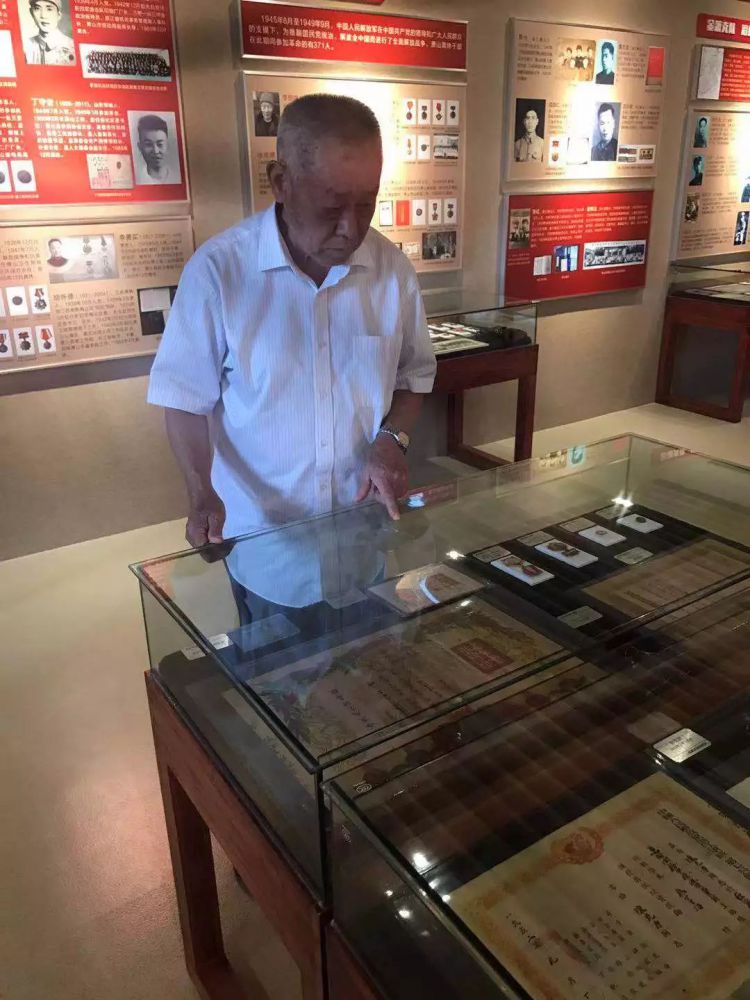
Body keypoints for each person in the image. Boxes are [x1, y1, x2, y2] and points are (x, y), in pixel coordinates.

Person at [148, 94, 436, 547]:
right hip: (261, 534)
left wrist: (391, 440)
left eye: (366, 204)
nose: (351, 228)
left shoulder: (392, 270)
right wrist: (201, 492)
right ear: (281, 182)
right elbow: (185, 399)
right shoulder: (219, 272)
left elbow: (413, 375)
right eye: (331, 206)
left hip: (361, 522)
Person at [23, 0, 75, 65]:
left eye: (49, 9)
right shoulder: (25, 46)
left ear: (59, 15)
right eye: (37, 8)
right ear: (31, 13)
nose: (43, 16)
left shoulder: (72, 47)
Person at [135, 114, 173, 183]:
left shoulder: (177, 176)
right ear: (140, 147)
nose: (156, 151)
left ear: (167, 145)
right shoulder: (138, 180)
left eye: (160, 144)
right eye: (148, 144)